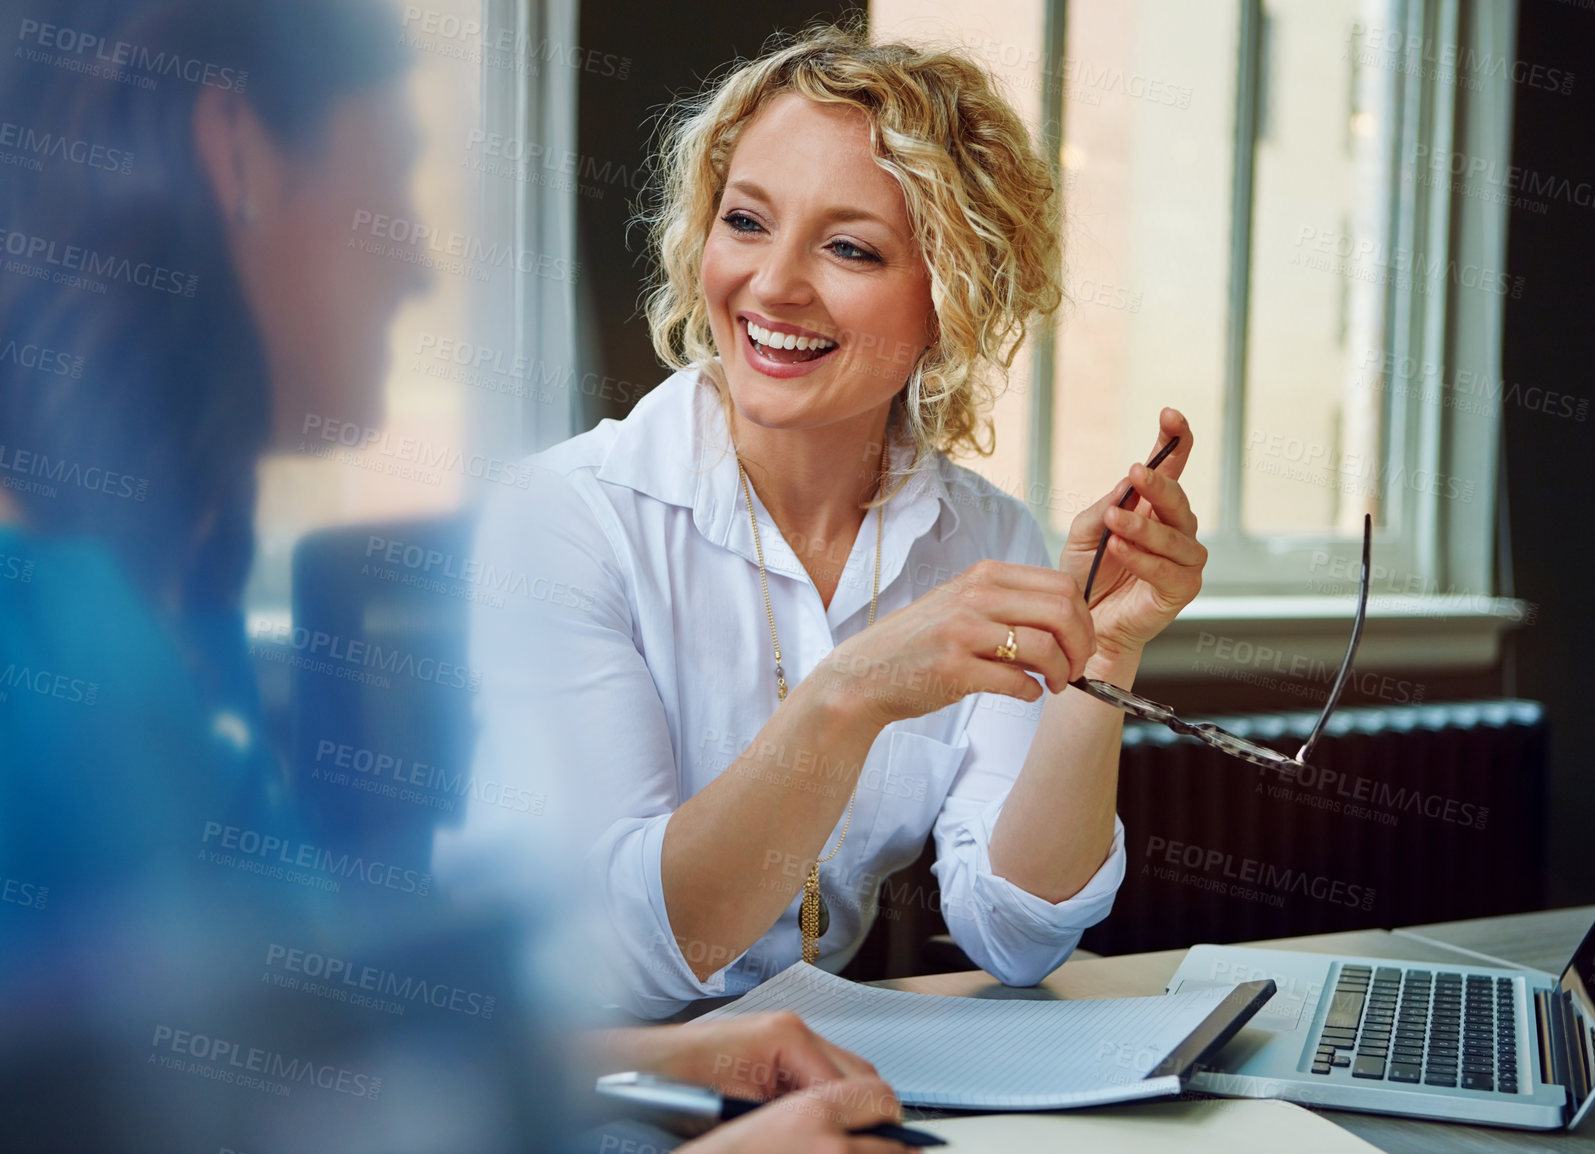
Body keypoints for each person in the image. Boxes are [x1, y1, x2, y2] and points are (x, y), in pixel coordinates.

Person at [0, 2, 901, 1149]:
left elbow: (269, 1079)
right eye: (390, 183)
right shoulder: (56, 666)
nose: (419, 273)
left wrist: (666, 1056)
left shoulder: (167, 611)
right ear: (237, 154)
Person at [439, 20, 1208, 1020]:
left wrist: (1097, 660)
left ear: (952, 295)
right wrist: (852, 689)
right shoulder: (564, 517)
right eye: (746, 222)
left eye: (849, 246)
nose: (772, 285)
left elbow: (1016, 934)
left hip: (804, 1085)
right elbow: (607, 963)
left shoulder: (985, 542)